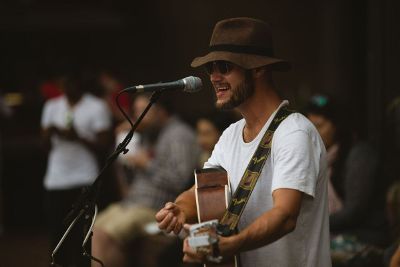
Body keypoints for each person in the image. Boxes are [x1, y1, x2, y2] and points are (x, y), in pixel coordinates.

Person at [156, 17, 331, 267]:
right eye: (210, 68)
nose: (214, 77)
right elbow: (205, 191)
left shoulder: (294, 133)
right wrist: (181, 209)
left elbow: (285, 216)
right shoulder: (230, 136)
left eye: (224, 67)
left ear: (258, 68)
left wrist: (230, 245)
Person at [91, 93, 200, 267]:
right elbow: (123, 171)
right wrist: (123, 138)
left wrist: (147, 164)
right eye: (136, 111)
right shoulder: (148, 135)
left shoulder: (179, 134)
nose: (137, 117)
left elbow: (180, 180)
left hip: (156, 206)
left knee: (104, 235)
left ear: (161, 111)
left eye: (144, 111)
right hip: (133, 202)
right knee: (93, 230)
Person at [304, 94, 390, 266]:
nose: (314, 132)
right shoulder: (322, 157)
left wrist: (312, 223)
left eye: (320, 125)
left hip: (364, 236)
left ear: (337, 126)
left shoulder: (360, 155)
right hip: (337, 233)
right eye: (310, 126)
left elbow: (354, 212)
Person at [41, 70, 113, 266]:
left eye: (72, 84)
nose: (68, 88)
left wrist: (78, 137)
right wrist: (49, 133)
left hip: (84, 178)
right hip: (56, 178)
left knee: (83, 233)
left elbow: (105, 146)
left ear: (80, 84)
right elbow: (45, 146)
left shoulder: (96, 106)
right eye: (64, 84)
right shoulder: (52, 106)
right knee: (57, 231)